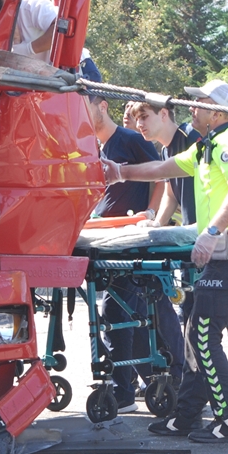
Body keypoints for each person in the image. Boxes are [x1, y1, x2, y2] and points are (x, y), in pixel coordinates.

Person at [105, 79, 228, 444]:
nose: (193, 109)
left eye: (200, 103)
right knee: (195, 334)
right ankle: (187, 415)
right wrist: (121, 171)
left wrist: (210, 232)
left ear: (219, 112)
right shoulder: (205, 147)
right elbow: (164, 170)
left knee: (202, 334)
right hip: (220, 253)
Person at [82, 85, 179, 412]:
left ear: (102, 107)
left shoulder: (130, 140)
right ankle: (142, 380)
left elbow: (162, 178)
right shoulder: (92, 146)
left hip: (130, 242)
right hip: (105, 241)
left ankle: (125, 390)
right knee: (124, 313)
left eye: (85, 105)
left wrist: (150, 216)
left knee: (120, 311)